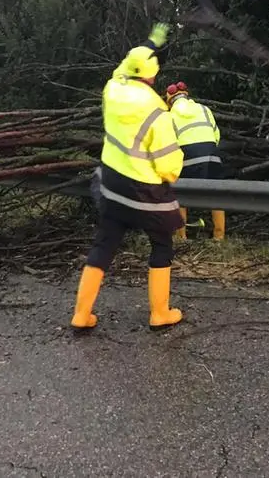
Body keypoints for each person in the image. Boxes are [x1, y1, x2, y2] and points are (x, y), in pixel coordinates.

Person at [70, 22, 186, 331]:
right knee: (161, 244)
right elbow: (169, 165)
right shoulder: (157, 111)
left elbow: (126, 66)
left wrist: (150, 42)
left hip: (112, 183)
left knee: (104, 244)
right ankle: (159, 313)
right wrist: (171, 174)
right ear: (152, 76)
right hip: (145, 191)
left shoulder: (113, 88)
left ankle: (81, 315)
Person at [164, 82, 226, 241]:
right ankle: (219, 237)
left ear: (169, 100)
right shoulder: (205, 109)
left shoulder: (169, 116)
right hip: (212, 152)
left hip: (186, 154)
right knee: (216, 194)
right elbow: (216, 135)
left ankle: (181, 237)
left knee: (180, 193)